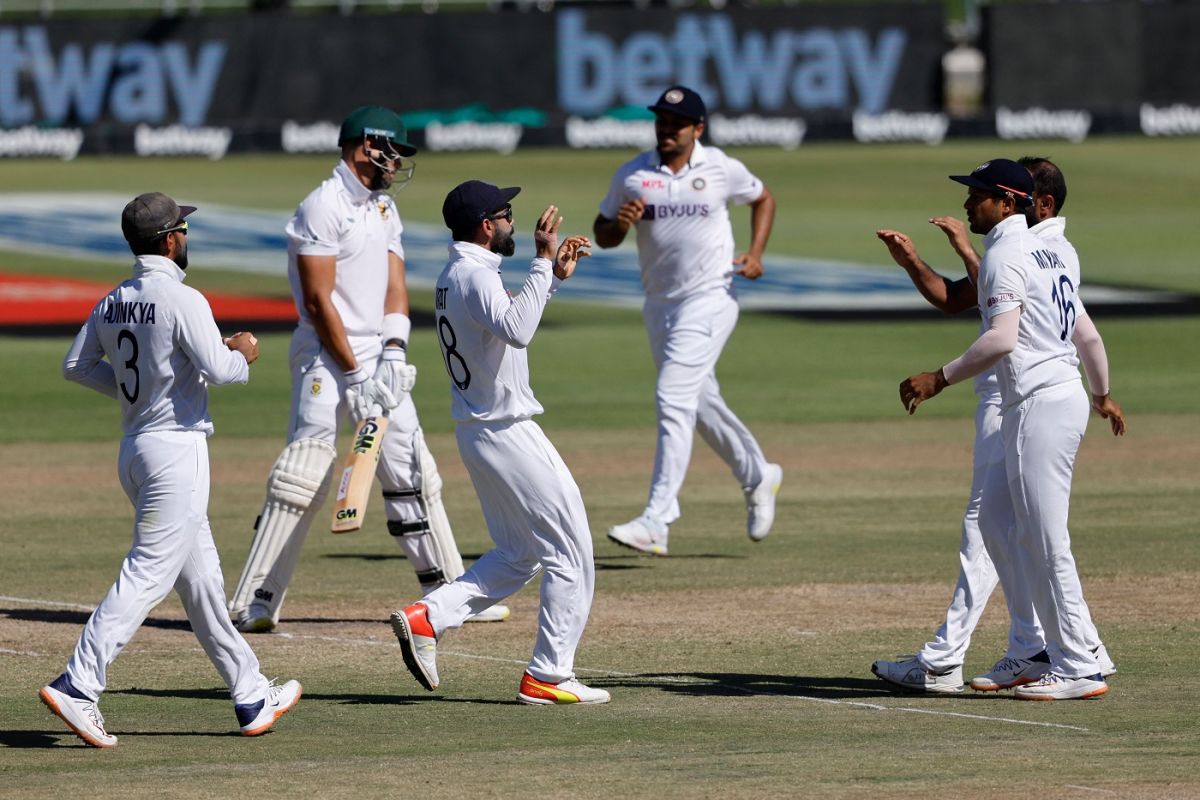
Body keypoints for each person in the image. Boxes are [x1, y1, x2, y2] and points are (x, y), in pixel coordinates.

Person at [228, 105, 508, 632]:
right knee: (303, 476)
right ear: (365, 145)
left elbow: (394, 286)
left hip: (378, 361)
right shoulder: (321, 206)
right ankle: (254, 600)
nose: (398, 161)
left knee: (414, 472)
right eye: (393, 150)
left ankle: (450, 596)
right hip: (324, 358)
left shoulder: (383, 209)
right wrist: (354, 374)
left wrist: (395, 352)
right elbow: (317, 302)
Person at [43, 192, 301, 748]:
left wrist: (137, 397)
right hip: (176, 455)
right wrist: (244, 350)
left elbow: (76, 365)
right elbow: (223, 371)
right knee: (147, 575)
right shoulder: (182, 298)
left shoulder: (114, 300)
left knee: (203, 583)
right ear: (168, 240)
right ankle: (79, 683)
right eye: (182, 229)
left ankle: (251, 693)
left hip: (136, 450)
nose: (187, 236)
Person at [871, 157, 1121, 694]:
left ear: (1008, 202)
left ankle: (1078, 663)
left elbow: (1002, 338)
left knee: (1044, 539)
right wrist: (1100, 394)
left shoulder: (1011, 250)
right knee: (1006, 530)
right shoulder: (1055, 249)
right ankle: (1042, 648)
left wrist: (939, 377)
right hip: (1055, 398)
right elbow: (1089, 336)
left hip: (1037, 403)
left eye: (978, 195)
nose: (968, 203)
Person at [390, 180, 608, 705]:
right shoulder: (474, 274)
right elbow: (517, 330)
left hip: (479, 431)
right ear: (487, 226)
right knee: (571, 554)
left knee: (520, 553)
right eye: (506, 214)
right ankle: (548, 676)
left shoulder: (457, 273)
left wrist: (551, 279)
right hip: (507, 431)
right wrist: (540, 262)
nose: (514, 221)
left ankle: (429, 617)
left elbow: (503, 328)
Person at [593, 85, 781, 555]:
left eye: (677, 124)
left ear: (698, 129)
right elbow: (604, 233)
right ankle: (758, 475)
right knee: (697, 401)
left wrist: (756, 254)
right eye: (661, 121)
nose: (666, 130)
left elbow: (763, 198)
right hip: (660, 304)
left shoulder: (721, 167)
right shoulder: (633, 174)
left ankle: (658, 518)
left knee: (672, 395)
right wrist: (620, 221)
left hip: (712, 295)